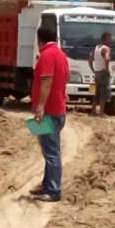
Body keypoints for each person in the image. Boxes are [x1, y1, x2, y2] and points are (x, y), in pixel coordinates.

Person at [30, 26, 70, 202]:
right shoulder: (61, 54)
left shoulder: (46, 55)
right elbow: (66, 76)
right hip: (58, 109)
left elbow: (46, 81)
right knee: (49, 149)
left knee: (51, 152)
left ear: (40, 40)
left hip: (49, 111)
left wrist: (40, 106)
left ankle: (53, 190)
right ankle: (47, 184)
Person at [88, 31, 112, 116]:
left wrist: (93, 69)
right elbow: (107, 58)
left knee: (96, 93)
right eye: (109, 39)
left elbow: (90, 59)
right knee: (103, 93)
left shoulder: (96, 48)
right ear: (104, 39)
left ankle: (93, 111)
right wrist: (106, 68)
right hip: (103, 73)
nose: (111, 41)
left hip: (97, 73)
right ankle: (101, 113)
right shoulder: (106, 48)